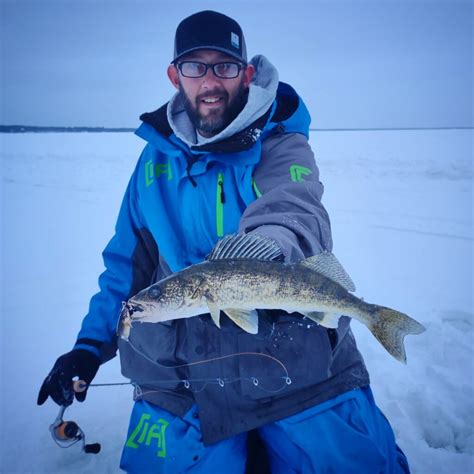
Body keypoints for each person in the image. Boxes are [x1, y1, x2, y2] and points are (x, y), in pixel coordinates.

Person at [38, 10, 410, 474]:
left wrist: (268, 254)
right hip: (180, 375)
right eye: (195, 66)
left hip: (290, 357)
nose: (210, 81)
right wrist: (89, 347)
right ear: (176, 75)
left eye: (225, 66)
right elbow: (125, 267)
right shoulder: (152, 164)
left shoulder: (282, 144)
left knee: (355, 462)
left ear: (247, 73)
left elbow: (294, 210)